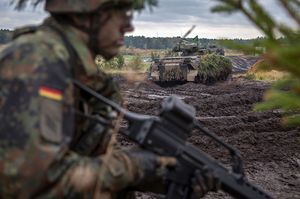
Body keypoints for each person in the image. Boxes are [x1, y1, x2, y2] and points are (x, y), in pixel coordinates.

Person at [0, 0, 218, 198]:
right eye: (119, 13)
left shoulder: (78, 71)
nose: (128, 26)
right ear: (83, 15)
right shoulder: (38, 64)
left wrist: (161, 180)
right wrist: (133, 166)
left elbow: (83, 165)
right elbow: (32, 182)